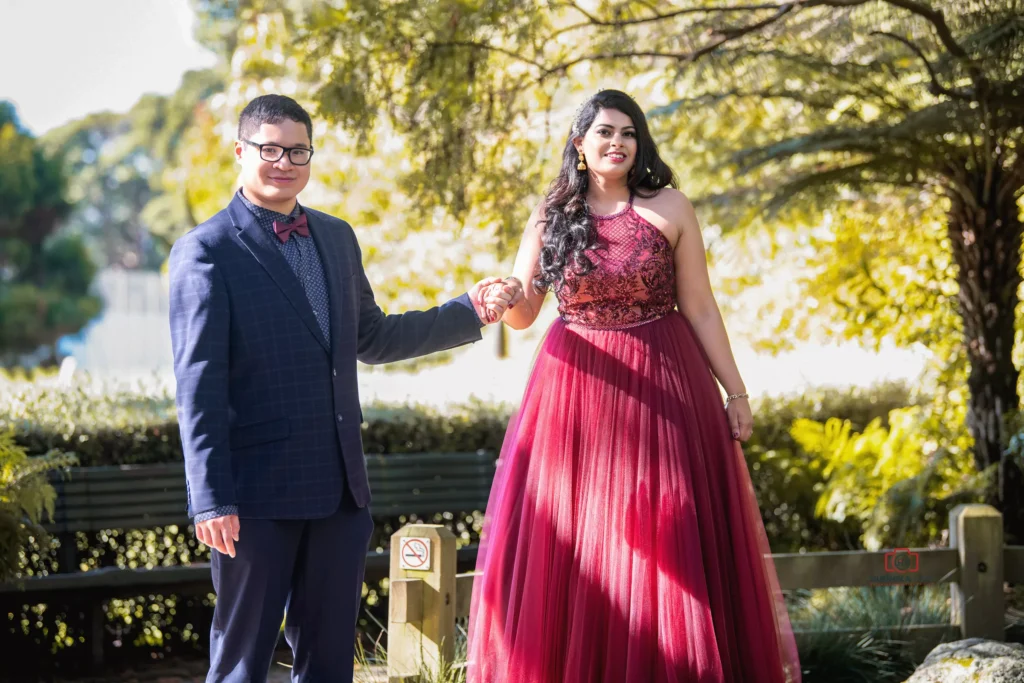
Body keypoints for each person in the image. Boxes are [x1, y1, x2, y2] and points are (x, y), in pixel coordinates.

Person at [168, 94, 519, 683]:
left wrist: (469, 312)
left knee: (330, 663)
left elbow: (374, 337)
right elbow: (196, 385)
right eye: (270, 149)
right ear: (240, 151)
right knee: (241, 663)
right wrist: (210, 498)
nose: (285, 162)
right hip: (253, 501)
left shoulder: (335, 236)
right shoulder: (205, 252)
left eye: (298, 150)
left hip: (339, 492)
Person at [466, 90, 801, 682]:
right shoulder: (551, 217)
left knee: (666, 534)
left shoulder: (670, 207)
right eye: (603, 132)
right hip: (574, 391)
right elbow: (524, 313)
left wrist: (737, 392)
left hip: (667, 385)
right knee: (579, 540)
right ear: (579, 145)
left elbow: (699, 307)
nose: (616, 142)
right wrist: (503, 297)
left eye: (627, 132)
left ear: (639, 143)